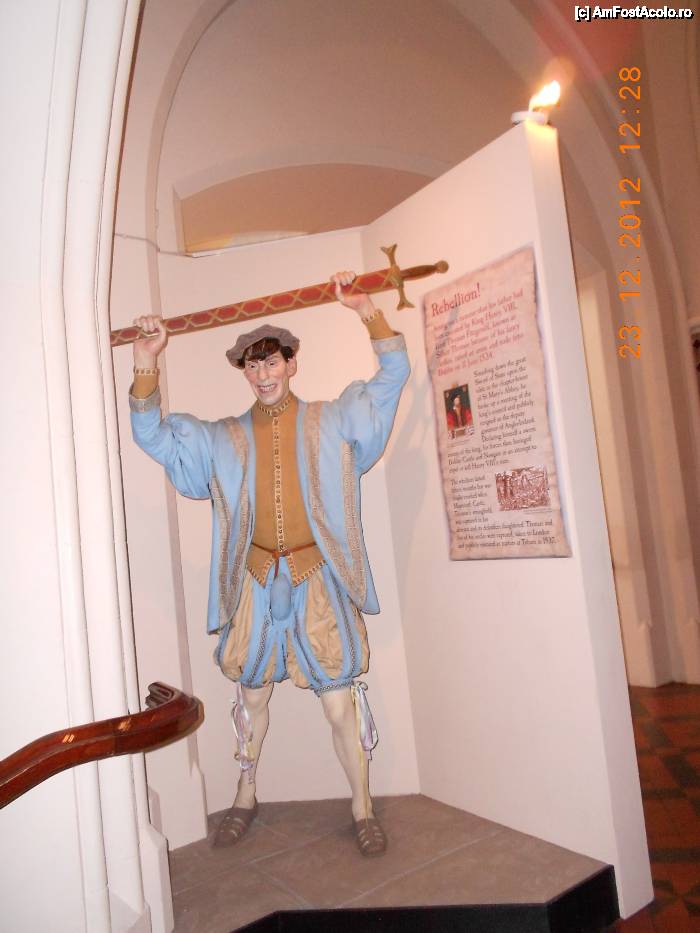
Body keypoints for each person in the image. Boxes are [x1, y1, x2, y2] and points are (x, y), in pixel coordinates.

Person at [129, 271, 409, 856]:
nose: (262, 374)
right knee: (251, 698)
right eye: (252, 365)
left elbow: (391, 377)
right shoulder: (222, 437)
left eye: (271, 362)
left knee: (338, 703)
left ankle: (362, 806)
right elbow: (153, 434)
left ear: (291, 363)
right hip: (255, 583)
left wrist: (365, 308)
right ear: (244, 371)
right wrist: (147, 361)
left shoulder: (333, 419)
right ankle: (245, 794)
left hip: (317, 581)